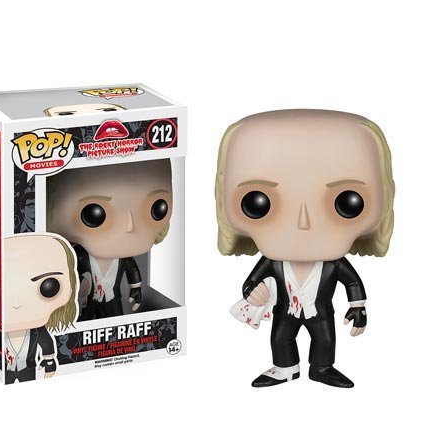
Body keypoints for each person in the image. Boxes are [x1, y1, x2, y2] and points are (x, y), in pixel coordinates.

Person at [215, 110, 395, 388]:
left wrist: (358, 307)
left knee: (325, 339)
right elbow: (252, 281)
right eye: (257, 203)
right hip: (286, 311)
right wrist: (251, 291)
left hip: (319, 312)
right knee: (280, 339)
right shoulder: (273, 262)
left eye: (348, 202)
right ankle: (284, 368)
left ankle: (322, 368)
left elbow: (352, 281)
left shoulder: (333, 263)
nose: (304, 223)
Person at [47, 159, 172, 320]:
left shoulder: (123, 257)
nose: (130, 226)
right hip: (88, 301)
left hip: (112, 299)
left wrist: (136, 288)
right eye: (94, 214)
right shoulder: (79, 256)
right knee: (84, 321)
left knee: (115, 319)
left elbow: (132, 270)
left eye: (158, 208)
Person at [4, 234, 78, 384]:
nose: (17, 304)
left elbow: (46, 343)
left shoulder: (37, 330)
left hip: (28, 369)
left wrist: (49, 361)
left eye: (49, 287)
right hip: (5, 369)